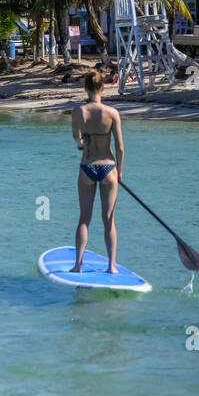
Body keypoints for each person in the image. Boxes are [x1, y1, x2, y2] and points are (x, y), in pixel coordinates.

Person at [71, 69, 124, 274]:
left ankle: (78, 265)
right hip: (108, 168)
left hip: (87, 167)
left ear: (85, 88)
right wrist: (119, 171)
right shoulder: (112, 113)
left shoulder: (78, 112)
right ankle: (111, 267)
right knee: (109, 219)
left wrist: (83, 143)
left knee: (84, 218)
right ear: (103, 87)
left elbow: (78, 141)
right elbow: (120, 148)